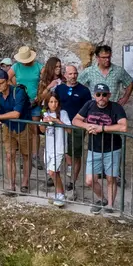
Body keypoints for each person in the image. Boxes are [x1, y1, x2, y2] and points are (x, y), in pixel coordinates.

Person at [74, 83, 128, 212]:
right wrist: (87, 126)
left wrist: (102, 128)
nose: (101, 97)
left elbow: (123, 126)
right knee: (90, 180)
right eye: (98, 94)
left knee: (111, 178)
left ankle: (110, 205)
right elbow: (75, 120)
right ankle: (102, 199)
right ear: (94, 95)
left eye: (104, 94)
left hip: (112, 148)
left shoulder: (116, 107)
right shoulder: (89, 105)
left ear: (109, 95)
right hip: (94, 148)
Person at [0, 68, 33, 194]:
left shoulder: (18, 92)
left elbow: (16, 113)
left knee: (26, 155)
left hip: (23, 126)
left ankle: (25, 183)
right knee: (9, 155)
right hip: (8, 127)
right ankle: (11, 185)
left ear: (7, 81)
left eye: (0, 83)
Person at [52, 63, 92, 193]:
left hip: (77, 127)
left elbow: (89, 109)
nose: (73, 76)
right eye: (70, 74)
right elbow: (54, 104)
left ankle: (72, 182)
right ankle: (54, 175)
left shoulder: (84, 91)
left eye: (75, 73)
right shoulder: (60, 89)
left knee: (76, 155)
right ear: (65, 75)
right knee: (63, 152)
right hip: (61, 125)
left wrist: (84, 124)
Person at [39, 90, 73, 206]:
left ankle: (61, 195)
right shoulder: (45, 114)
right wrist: (44, 122)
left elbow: (69, 130)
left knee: (53, 172)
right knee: (52, 172)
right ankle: (59, 193)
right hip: (48, 147)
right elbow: (42, 131)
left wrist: (58, 121)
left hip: (59, 147)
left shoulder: (63, 113)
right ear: (47, 103)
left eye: (56, 101)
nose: (54, 104)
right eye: (51, 102)